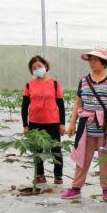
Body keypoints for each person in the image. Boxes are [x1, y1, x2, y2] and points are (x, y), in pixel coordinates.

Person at [62, 47, 107, 202]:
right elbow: (78, 103)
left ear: (103, 62)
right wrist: (72, 123)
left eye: (95, 60)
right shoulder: (83, 81)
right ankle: (76, 188)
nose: (92, 63)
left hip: (105, 128)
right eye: (90, 60)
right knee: (81, 158)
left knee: (106, 160)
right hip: (86, 128)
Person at [21, 55, 65, 186]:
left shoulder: (55, 84)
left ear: (45, 66)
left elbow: (61, 105)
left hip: (53, 122)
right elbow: (24, 106)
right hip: (35, 123)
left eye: (39, 66)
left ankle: (58, 175)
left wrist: (62, 124)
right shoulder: (29, 85)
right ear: (31, 71)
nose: (37, 69)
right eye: (34, 68)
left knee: (56, 150)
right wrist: (25, 125)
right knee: (37, 150)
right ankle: (40, 175)